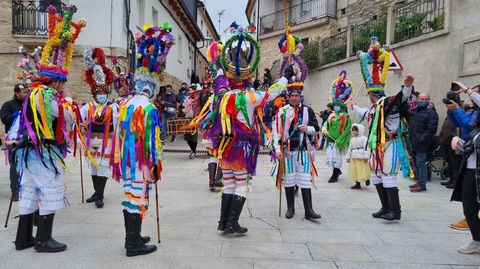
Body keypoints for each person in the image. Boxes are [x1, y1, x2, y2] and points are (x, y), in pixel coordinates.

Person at [191, 24, 286, 233]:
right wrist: (285, 78)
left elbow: (218, 80)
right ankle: (232, 223)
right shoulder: (250, 97)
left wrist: (218, 67)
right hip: (242, 147)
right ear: (247, 77)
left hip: (224, 145)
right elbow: (272, 93)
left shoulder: (223, 95)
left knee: (228, 183)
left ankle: (223, 222)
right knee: (241, 184)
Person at [13, 4, 86, 252]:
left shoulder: (32, 94)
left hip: (29, 152)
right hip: (45, 152)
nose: (63, 87)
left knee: (29, 192)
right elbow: (65, 119)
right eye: (62, 83)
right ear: (56, 80)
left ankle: (23, 238)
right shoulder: (49, 97)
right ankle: (43, 239)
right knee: (51, 190)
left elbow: (19, 124)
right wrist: (70, 108)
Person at [110, 23, 173, 256]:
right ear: (152, 87)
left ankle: (133, 236)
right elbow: (153, 142)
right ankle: (133, 244)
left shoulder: (124, 104)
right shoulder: (149, 108)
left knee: (130, 195)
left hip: (126, 161)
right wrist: (155, 164)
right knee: (137, 196)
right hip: (141, 162)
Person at [352, 37, 414, 221]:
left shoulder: (388, 103)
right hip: (377, 147)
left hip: (390, 144)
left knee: (388, 177)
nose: (368, 95)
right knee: (378, 177)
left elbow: (401, 99)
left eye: (369, 93)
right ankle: (385, 208)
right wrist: (354, 106)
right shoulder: (373, 107)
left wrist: (408, 87)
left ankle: (396, 211)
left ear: (373, 93)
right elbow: (366, 113)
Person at [273, 76, 321, 220]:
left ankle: (309, 210)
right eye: (291, 95)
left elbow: (316, 129)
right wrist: (277, 150)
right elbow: (276, 131)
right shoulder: (282, 111)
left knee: (305, 179)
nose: (294, 98)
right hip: (287, 151)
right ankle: (290, 208)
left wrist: (308, 128)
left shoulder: (308, 111)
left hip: (304, 151)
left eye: (296, 95)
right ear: (288, 97)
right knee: (288, 179)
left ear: (300, 97)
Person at [80, 47, 118, 208]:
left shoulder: (113, 108)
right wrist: (81, 128)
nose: (102, 95)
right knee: (94, 167)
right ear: (94, 95)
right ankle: (96, 192)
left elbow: (116, 126)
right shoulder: (87, 107)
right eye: (99, 93)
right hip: (91, 141)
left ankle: (100, 195)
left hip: (107, 141)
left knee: (102, 167)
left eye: (104, 93)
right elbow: (79, 120)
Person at [450, 82, 480, 254]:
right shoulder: (476, 127)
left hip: (477, 172)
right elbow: (469, 146)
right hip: (470, 170)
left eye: (474, 97)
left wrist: (467, 90)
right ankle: (477, 240)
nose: (471, 99)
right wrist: (459, 143)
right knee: (469, 209)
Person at [0, 83, 28, 201]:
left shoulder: (30, 104)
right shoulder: (8, 105)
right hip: (13, 140)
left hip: (27, 137)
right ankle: (15, 191)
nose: (26, 94)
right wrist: (17, 115)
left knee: (28, 163)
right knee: (15, 165)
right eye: (24, 92)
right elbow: (4, 119)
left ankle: (27, 189)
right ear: (17, 94)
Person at [408, 93, 439, 192]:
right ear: (418, 99)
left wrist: (421, 139)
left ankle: (422, 185)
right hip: (414, 142)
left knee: (421, 163)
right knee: (416, 163)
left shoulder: (431, 113)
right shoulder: (415, 110)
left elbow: (432, 129)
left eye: (426, 99)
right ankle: (419, 181)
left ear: (429, 100)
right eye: (422, 99)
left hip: (423, 143)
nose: (424, 101)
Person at [346, 124, 371, 189]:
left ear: (359, 130)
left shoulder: (364, 138)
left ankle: (367, 179)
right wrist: (348, 157)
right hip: (354, 158)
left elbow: (366, 148)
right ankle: (357, 183)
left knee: (363, 170)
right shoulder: (352, 139)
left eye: (356, 130)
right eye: (353, 130)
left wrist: (366, 156)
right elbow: (349, 148)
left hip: (361, 157)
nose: (354, 132)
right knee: (355, 171)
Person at [182, 84, 202, 159]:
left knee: (193, 135)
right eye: (189, 90)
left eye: (190, 90)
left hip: (195, 119)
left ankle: (193, 151)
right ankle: (192, 150)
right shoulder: (187, 98)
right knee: (187, 136)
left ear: (194, 90)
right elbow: (184, 105)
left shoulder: (198, 99)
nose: (189, 91)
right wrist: (183, 109)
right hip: (187, 118)